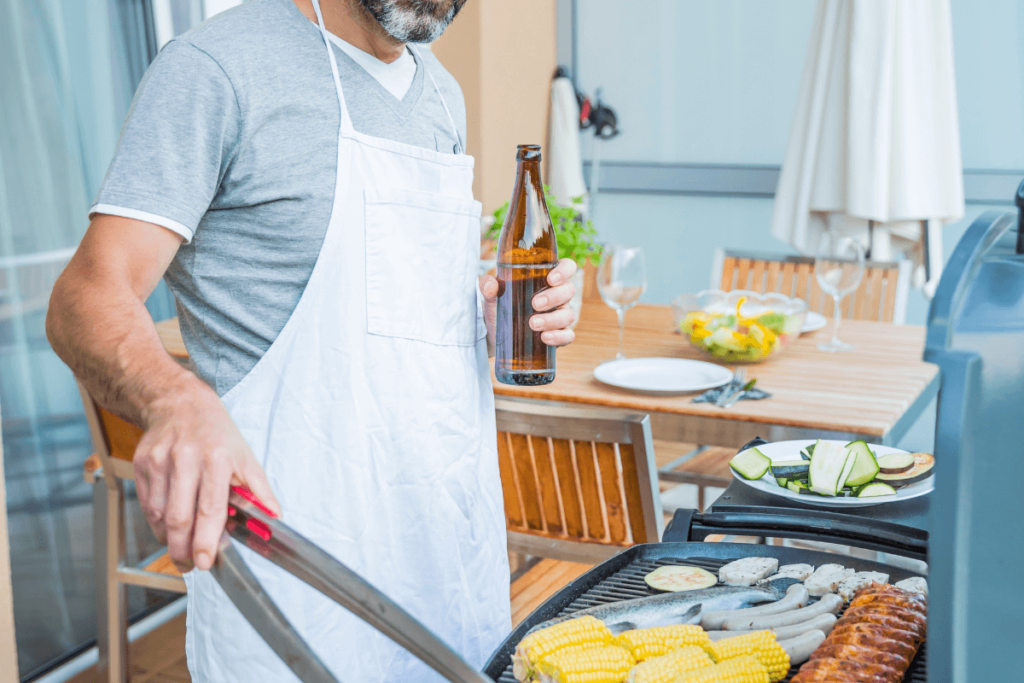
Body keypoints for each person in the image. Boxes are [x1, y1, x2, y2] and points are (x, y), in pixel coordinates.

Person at [46, 0, 578, 680]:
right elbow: (83, 297)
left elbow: (402, 306)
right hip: (299, 569)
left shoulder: (441, 94)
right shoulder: (215, 70)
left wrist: (509, 308)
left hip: (444, 557)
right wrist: (175, 400)